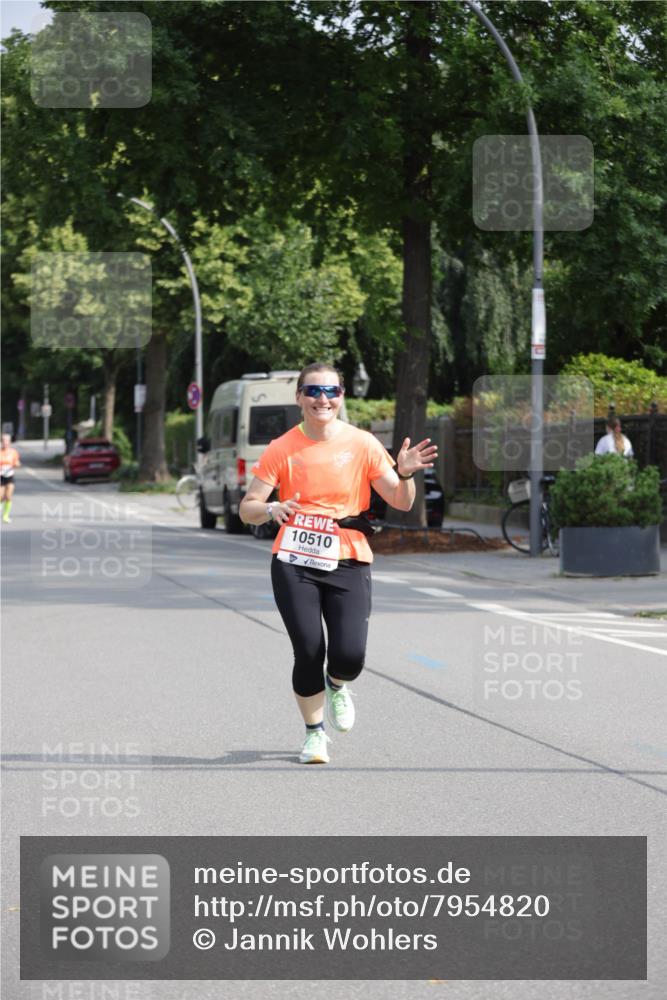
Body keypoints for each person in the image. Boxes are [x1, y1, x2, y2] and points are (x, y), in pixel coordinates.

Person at [239, 362, 437, 764]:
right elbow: (247, 508)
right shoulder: (282, 447)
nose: (321, 399)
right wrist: (272, 507)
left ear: (342, 396)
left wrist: (405, 473)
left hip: (348, 556)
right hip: (294, 558)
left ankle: (337, 684)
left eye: (330, 391)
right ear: (299, 397)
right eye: (312, 391)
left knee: (349, 655)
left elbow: (400, 501)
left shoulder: (363, 444)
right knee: (309, 649)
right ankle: (314, 735)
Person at [0, 433, 21, 523]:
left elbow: (17, 463)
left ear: (9, 442)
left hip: (10, 475)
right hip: (1, 475)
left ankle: (5, 515)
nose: (5, 443)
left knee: (8, 496)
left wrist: (16, 465)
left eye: (7, 441)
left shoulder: (13, 452)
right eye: (3, 441)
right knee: (0, 496)